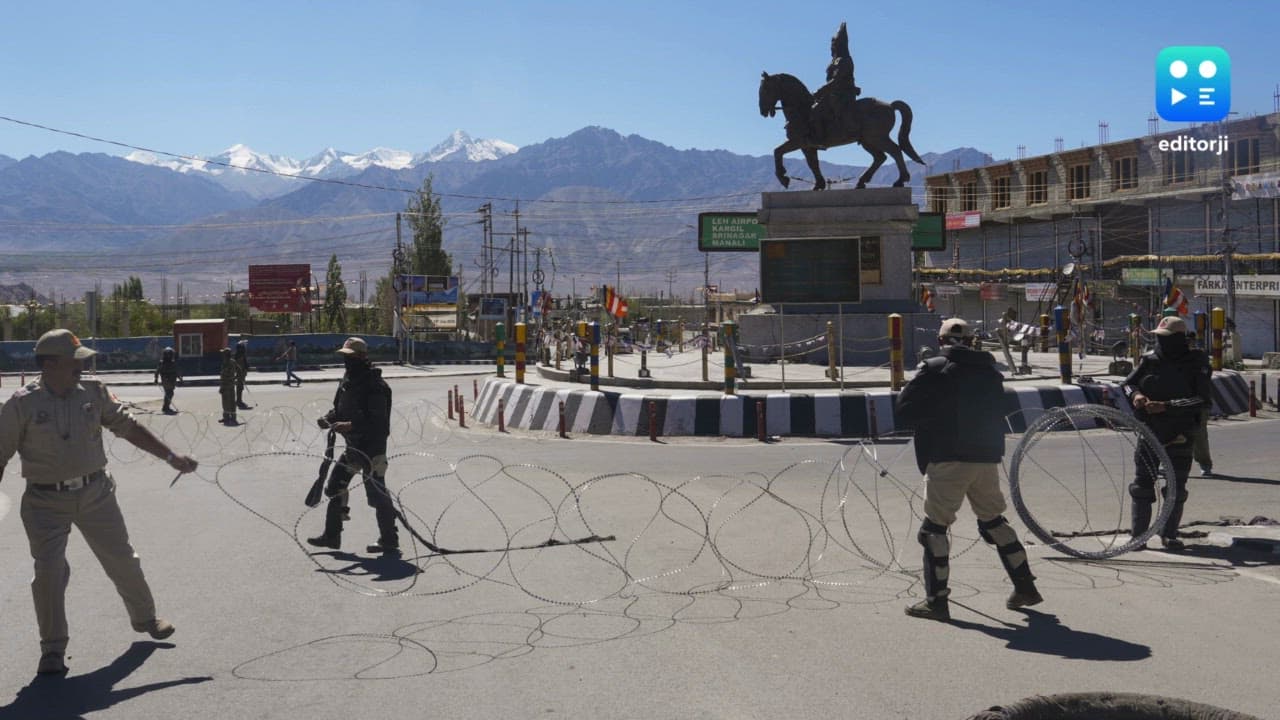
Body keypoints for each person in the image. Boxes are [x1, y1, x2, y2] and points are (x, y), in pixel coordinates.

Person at [0, 329, 198, 675]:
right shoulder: (21, 404)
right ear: (49, 364)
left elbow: (128, 427)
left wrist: (171, 456)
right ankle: (53, 650)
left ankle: (146, 618)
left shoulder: (93, 392)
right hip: (45, 501)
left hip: (96, 493)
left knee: (122, 558)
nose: (83, 366)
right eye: (74, 361)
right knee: (48, 574)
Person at [895, 318, 1042, 621]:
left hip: (948, 457)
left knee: (934, 530)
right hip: (986, 456)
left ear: (941, 339)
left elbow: (905, 411)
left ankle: (936, 602)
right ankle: (1025, 587)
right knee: (993, 522)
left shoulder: (934, 368)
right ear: (973, 341)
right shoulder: (990, 371)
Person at [1121, 315, 1212, 551]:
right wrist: (1137, 396)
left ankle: (1168, 533)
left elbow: (1202, 399)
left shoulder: (1196, 363)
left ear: (1179, 339)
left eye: (1166, 338)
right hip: (1150, 430)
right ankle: (1138, 536)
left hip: (1180, 431)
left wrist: (1168, 405)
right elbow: (1129, 384)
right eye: (1158, 338)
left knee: (1175, 487)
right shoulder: (1151, 361)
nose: (1161, 342)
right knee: (1142, 484)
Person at [306, 337, 398, 555]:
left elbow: (378, 421)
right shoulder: (348, 381)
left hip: (372, 450)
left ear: (362, 357)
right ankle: (332, 536)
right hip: (353, 448)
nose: (346, 360)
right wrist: (328, 419)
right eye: (344, 356)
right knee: (334, 487)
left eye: (350, 356)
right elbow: (340, 409)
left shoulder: (374, 385)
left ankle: (389, 539)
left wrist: (350, 425)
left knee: (377, 495)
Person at [811, 21, 861, 140]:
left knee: (816, 111)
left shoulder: (844, 60)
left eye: (835, 44)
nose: (832, 46)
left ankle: (820, 138)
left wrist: (819, 91)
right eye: (832, 44)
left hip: (842, 95)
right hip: (833, 94)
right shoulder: (835, 60)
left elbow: (836, 81)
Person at [152, 346, 182, 414]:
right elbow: (157, 371)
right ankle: (166, 407)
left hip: (172, 379)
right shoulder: (162, 362)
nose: (169, 355)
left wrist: (179, 377)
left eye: (170, 354)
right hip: (166, 379)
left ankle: (166, 407)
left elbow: (176, 371)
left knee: (168, 393)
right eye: (167, 354)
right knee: (170, 393)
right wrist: (156, 378)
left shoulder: (173, 362)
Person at [218, 347, 237, 425]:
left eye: (223, 354)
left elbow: (225, 376)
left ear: (226, 355)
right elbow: (239, 369)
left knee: (226, 402)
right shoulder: (233, 361)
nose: (222, 355)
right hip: (231, 384)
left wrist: (222, 387)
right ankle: (232, 417)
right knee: (232, 401)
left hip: (226, 385)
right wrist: (236, 377)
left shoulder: (227, 363)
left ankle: (227, 418)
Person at [233, 340, 250, 409]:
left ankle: (239, 400)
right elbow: (240, 366)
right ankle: (239, 401)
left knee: (240, 387)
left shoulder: (240, 355)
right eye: (244, 346)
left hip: (242, 373)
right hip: (241, 373)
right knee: (239, 387)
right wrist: (241, 373)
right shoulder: (240, 355)